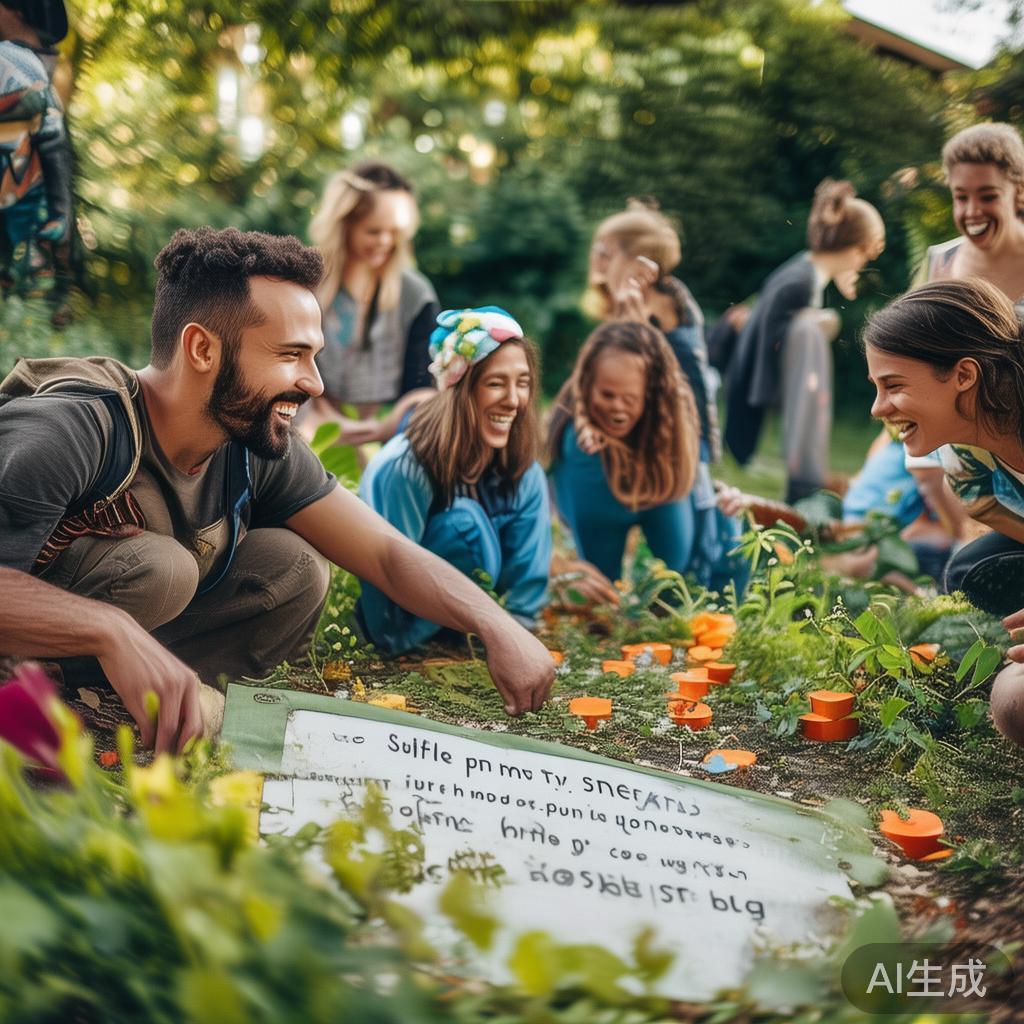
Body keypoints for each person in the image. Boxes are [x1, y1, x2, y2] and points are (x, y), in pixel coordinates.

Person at [0, 228, 555, 754]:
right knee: (161, 568)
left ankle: (121, 694)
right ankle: (39, 689)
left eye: (313, 356)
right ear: (202, 349)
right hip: (31, 626)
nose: (314, 383)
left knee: (295, 568)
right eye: (291, 355)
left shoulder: (252, 441)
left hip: (112, 645)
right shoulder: (69, 428)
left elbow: (385, 553)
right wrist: (108, 628)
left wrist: (496, 624)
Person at [864, 277, 1024, 747]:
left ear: (963, 375)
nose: (877, 408)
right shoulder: (964, 453)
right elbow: (983, 502)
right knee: (972, 570)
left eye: (893, 386)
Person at [358, 306, 551, 653]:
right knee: (466, 525)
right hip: (404, 625)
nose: (513, 400)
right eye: (495, 383)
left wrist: (519, 637)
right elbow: (387, 577)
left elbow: (527, 580)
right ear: (459, 388)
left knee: (523, 483)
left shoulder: (522, 467)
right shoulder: (403, 467)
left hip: (482, 625)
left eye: (522, 383)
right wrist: (395, 641)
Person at [725, 178, 885, 503]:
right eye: (864, 255)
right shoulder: (800, 282)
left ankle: (807, 476)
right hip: (755, 382)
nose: (862, 264)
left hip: (752, 379)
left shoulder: (803, 270)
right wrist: (821, 321)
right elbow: (775, 337)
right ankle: (806, 479)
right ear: (855, 248)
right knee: (812, 328)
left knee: (814, 324)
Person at [548, 319, 725, 589]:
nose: (617, 408)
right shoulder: (578, 442)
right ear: (587, 384)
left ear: (651, 395)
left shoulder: (671, 417)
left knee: (677, 578)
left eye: (629, 399)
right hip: (593, 479)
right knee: (602, 588)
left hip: (658, 476)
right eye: (607, 395)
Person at [305, 160, 439, 429]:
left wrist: (382, 428)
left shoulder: (416, 294)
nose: (385, 242)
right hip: (314, 430)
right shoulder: (306, 286)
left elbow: (424, 387)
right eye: (373, 231)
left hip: (396, 431)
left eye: (394, 232)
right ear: (345, 224)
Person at [0, 0, 73, 312]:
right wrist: (61, 212)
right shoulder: (35, 65)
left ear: (18, 9)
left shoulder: (11, 60)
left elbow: (51, 141)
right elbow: (54, 143)